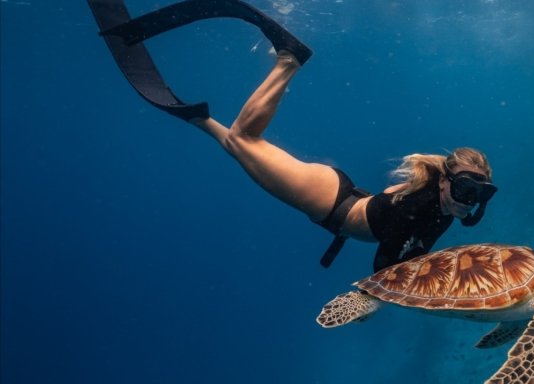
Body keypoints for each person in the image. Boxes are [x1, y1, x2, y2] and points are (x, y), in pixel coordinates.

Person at [89, 0, 497, 272]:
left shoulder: (441, 205)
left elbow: (412, 242)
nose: (468, 201)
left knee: (239, 147)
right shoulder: (426, 204)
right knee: (244, 141)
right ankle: (289, 60)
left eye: (477, 195)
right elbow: (385, 263)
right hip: (328, 202)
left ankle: (198, 119)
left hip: (340, 192)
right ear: (444, 180)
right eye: (464, 189)